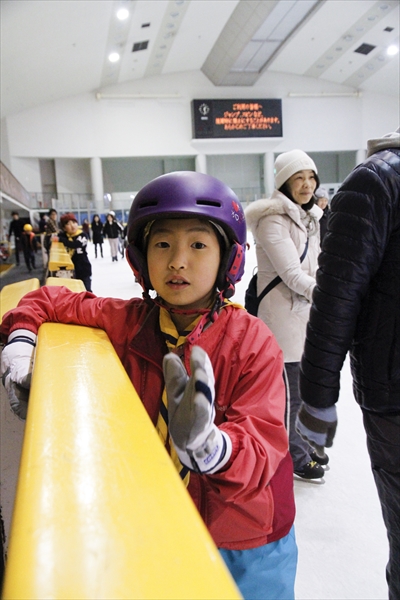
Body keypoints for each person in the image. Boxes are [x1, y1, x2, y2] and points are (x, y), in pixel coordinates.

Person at [0, 172, 297, 600]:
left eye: (197, 245)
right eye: (162, 245)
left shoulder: (252, 342)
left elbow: (263, 443)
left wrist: (213, 448)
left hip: (247, 539)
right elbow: (49, 299)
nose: (177, 261)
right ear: (141, 257)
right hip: (162, 518)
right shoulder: (132, 322)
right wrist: (23, 337)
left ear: (228, 258)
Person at [296, 129, 400, 600]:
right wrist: (317, 399)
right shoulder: (377, 183)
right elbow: (338, 293)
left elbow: (337, 294)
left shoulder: (373, 180)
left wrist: (317, 401)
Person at [245, 150, 326, 482]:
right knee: (290, 394)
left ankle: (302, 444)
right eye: (298, 178)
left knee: (305, 390)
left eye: (310, 178)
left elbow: (315, 267)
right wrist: (330, 296)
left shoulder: (306, 218)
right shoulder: (273, 219)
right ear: (284, 183)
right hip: (282, 318)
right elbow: (292, 274)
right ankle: (295, 455)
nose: (306, 185)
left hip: (305, 315)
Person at [58, 213, 92, 291]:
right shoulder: (64, 236)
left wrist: (61, 240)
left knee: (87, 290)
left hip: (83, 268)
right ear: (64, 228)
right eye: (68, 224)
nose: (72, 226)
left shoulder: (82, 235)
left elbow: (75, 244)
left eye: (74, 223)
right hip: (70, 270)